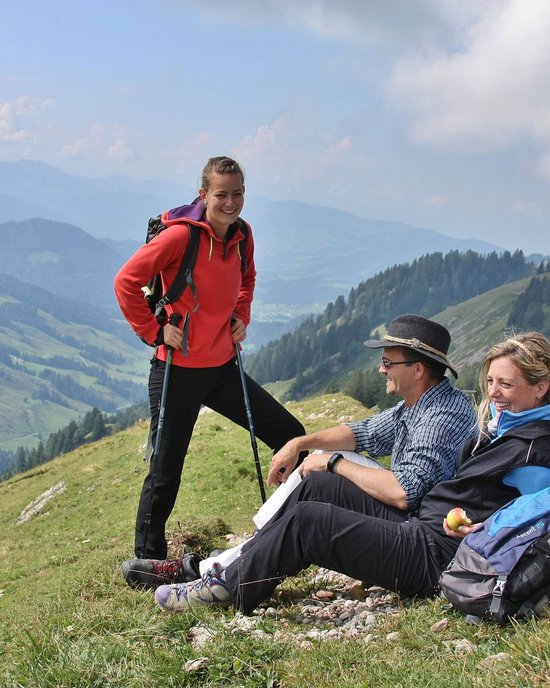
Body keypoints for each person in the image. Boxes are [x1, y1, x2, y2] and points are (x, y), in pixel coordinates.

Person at [153, 331, 550, 613]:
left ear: (541, 387)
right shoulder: (506, 426)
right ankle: (230, 567)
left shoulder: (533, 448)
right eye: (491, 382)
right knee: (319, 484)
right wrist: (303, 443)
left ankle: (226, 589)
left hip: (435, 556)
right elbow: (364, 433)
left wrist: (481, 527)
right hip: (432, 530)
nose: (494, 393)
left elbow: (534, 522)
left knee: (310, 521)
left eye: (506, 385)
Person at [113, 156, 306, 578]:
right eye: (222, 194)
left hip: (221, 368)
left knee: (291, 435)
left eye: (238, 193)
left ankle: (293, 528)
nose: (231, 202)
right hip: (176, 370)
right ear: (203, 195)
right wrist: (153, 330)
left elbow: (247, 279)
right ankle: (148, 560)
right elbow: (125, 281)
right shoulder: (180, 237)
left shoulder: (242, 236)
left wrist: (242, 316)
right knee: (165, 468)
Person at [268, 313, 477, 513]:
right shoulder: (418, 404)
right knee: (322, 454)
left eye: (388, 363)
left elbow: (405, 492)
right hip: (412, 513)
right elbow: (362, 433)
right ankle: (265, 533)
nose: (381, 370)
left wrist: (334, 463)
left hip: (417, 526)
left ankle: (264, 538)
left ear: (418, 370)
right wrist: (298, 444)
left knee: (324, 471)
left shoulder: (443, 415)